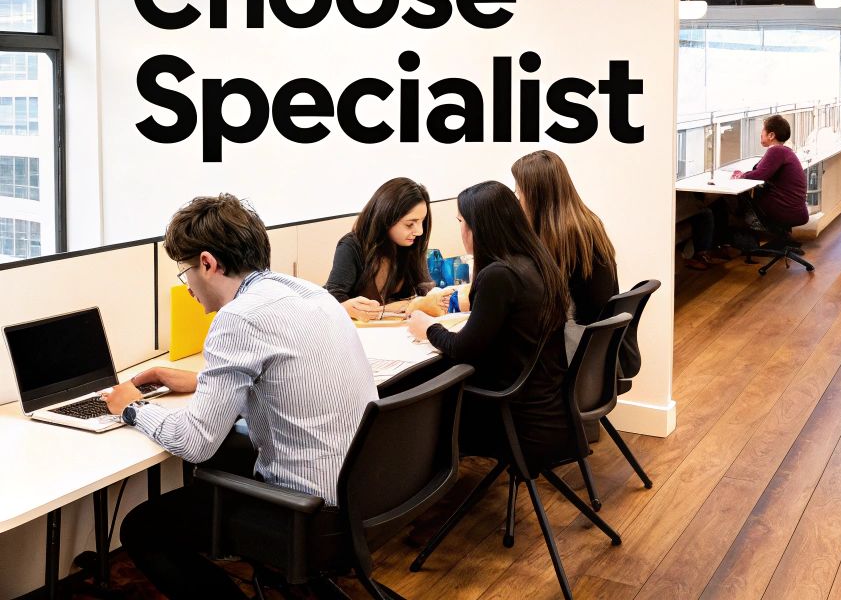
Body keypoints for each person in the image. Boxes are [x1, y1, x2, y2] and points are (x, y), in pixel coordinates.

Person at [107, 193, 377, 600]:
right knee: (228, 450)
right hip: (366, 491)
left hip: (309, 512)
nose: (190, 288)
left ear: (207, 263)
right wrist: (200, 382)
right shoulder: (309, 294)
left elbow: (194, 442)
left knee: (143, 528)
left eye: (185, 274)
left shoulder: (238, 317)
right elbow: (286, 374)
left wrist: (130, 406)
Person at [407, 181, 570, 471]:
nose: (460, 230)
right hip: (547, 407)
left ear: (477, 227)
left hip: (512, 413)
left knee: (418, 385)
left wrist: (428, 327)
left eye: (460, 222)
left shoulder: (499, 275)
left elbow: (462, 349)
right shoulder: (537, 261)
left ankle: (418, 484)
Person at [512, 149, 620, 354]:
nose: (518, 202)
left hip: (576, 346)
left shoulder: (562, 237)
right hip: (597, 346)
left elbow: (545, 301)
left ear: (537, 195)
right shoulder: (585, 222)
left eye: (519, 194)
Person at [324, 176, 450, 320]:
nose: (420, 231)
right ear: (386, 218)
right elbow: (334, 301)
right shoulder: (351, 246)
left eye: (422, 221)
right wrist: (404, 306)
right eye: (410, 224)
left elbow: (424, 294)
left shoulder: (411, 245)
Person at [729, 114, 810, 248]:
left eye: (763, 130)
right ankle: (780, 238)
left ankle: (747, 244)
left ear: (771, 135)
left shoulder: (776, 151)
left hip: (786, 208)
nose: (761, 134)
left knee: (739, 197)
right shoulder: (785, 151)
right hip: (795, 208)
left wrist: (741, 176)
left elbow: (760, 174)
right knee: (756, 192)